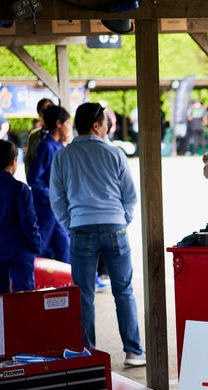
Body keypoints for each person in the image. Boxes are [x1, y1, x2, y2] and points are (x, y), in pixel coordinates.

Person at [49, 102, 145, 367]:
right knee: (123, 291)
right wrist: (121, 221)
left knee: (84, 294)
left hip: (81, 229)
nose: (107, 127)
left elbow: (56, 199)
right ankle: (134, 351)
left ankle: (87, 352)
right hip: (115, 228)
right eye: (105, 122)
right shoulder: (115, 154)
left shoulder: (63, 156)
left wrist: (71, 224)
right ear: (96, 125)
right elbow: (130, 197)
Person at [0, 140, 41, 295]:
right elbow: (29, 223)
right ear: (13, 161)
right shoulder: (21, 189)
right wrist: (35, 245)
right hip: (20, 252)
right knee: (24, 296)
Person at [28, 104, 72, 263]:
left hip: (56, 206)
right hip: (46, 207)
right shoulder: (46, 146)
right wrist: (50, 195)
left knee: (63, 244)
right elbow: (33, 178)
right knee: (42, 245)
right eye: (68, 124)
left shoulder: (58, 145)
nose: (70, 128)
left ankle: (71, 281)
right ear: (59, 124)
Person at [24, 98, 54, 173]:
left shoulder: (60, 132)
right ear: (39, 114)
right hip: (38, 180)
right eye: (43, 111)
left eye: (50, 109)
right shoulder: (34, 135)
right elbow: (28, 159)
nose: (47, 112)